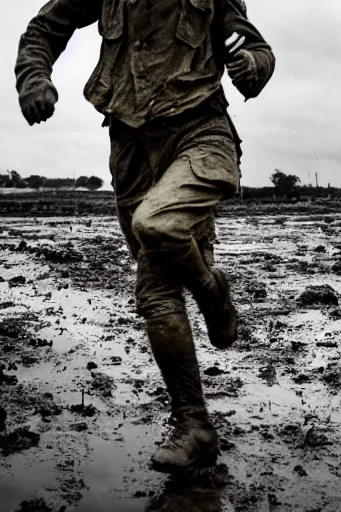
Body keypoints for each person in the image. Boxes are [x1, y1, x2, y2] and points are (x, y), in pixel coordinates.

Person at [15, 0, 275, 474]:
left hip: (200, 133)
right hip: (131, 147)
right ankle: (194, 426)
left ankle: (212, 292)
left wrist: (250, 66)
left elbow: (255, 49)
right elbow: (43, 30)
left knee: (157, 225)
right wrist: (34, 77)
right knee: (155, 291)